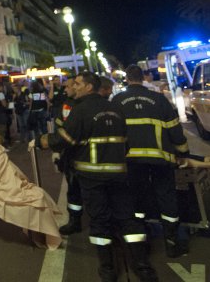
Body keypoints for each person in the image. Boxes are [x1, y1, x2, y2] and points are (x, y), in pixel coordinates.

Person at [36, 72, 158, 282]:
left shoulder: (81, 110)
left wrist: (41, 141)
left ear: (89, 87)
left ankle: (108, 268)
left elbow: (65, 139)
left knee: (100, 221)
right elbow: (126, 141)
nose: (75, 87)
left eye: (78, 84)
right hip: (119, 173)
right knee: (128, 218)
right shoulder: (115, 108)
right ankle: (143, 267)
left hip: (92, 175)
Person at [114, 64, 189, 258]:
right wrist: (183, 152)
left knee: (137, 198)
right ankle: (171, 242)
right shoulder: (158, 99)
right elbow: (175, 129)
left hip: (131, 160)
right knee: (166, 196)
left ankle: (142, 242)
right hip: (160, 159)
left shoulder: (117, 100)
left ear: (127, 79)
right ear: (144, 77)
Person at [0, 128, 62, 249]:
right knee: (37, 198)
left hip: (11, 183)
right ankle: (38, 233)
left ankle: (41, 232)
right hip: (1, 188)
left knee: (39, 194)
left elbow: (9, 171)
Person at [53, 75, 83, 236]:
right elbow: (58, 126)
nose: (66, 89)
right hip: (69, 154)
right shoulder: (66, 104)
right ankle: (75, 220)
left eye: (69, 86)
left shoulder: (85, 104)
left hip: (85, 154)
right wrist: (56, 150)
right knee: (73, 189)